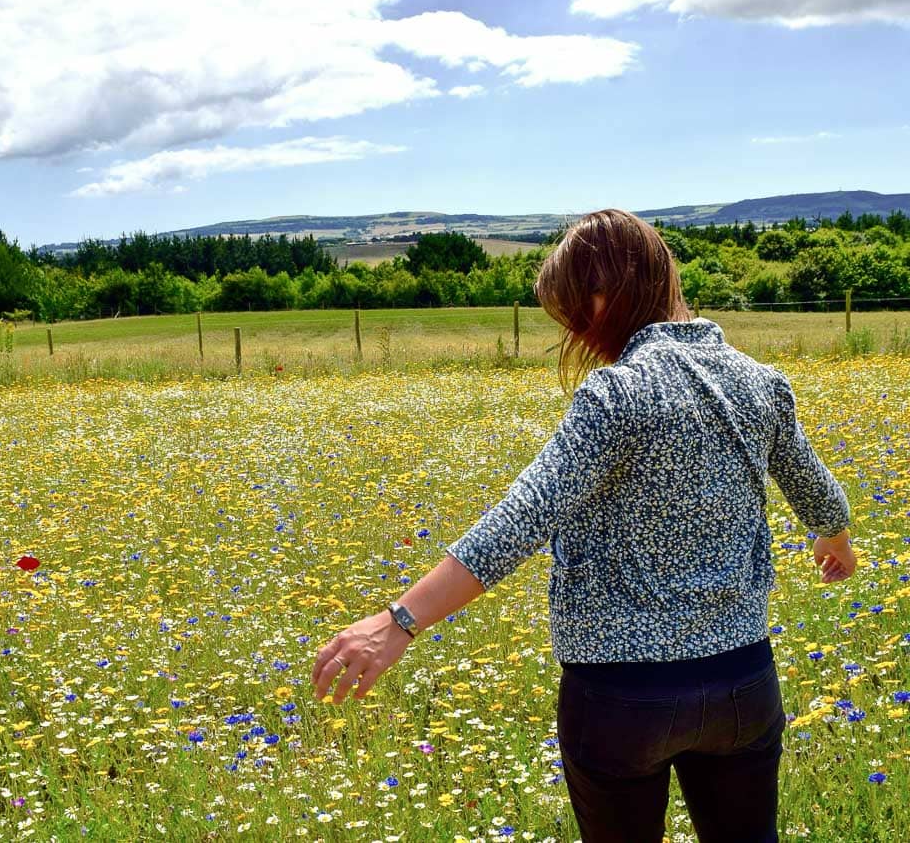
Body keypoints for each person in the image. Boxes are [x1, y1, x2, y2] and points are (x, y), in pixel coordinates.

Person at [312, 209, 855, 843]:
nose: (577, 330)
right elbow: (817, 489)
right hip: (743, 684)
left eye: (575, 311)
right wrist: (833, 538)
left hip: (622, 698)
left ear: (608, 293)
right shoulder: (762, 384)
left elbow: (522, 516)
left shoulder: (619, 393)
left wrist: (398, 621)